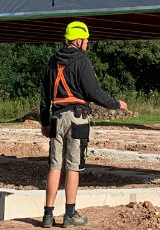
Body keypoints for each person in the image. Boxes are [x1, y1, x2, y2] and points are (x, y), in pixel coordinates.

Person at [38, 21, 127, 228]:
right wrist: (116, 104)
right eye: (86, 38)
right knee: (73, 168)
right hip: (77, 119)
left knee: (54, 167)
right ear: (78, 40)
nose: (88, 42)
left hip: (56, 118)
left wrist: (44, 122)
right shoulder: (82, 61)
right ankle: (69, 215)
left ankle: (48, 216)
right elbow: (93, 93)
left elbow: (44, 96)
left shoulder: (53, 61)